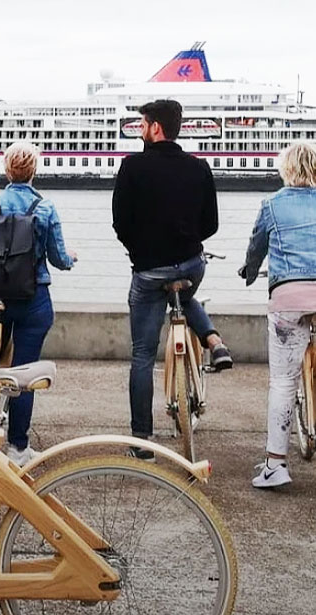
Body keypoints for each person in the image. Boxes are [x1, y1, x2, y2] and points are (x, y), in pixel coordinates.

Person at [112, 98, 232, 459]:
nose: (140, 130)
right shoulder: (199, 168)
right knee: (186, 295)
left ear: (155, 128)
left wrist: (140, 251)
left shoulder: (132, 167)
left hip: (149, 270)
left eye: (142, 125)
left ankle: (142, 441)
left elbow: (120, 222)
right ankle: (213, 341)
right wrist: (185, 241)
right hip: (190, 265)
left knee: (142, 355)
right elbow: (211, 224)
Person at [239, 142, 316, 488]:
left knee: (283, 381)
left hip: (289, 299)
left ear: (286, 169)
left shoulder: (272, 205)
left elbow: (257, 247)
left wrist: (249, 272)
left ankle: (275, 464)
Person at [0, 142, 77, 467]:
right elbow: (58, 259)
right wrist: (71, 258)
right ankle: (17, 447)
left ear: (6, 170)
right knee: (24, 372)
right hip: (32, 299)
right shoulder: (45, 208)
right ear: (34, 171)